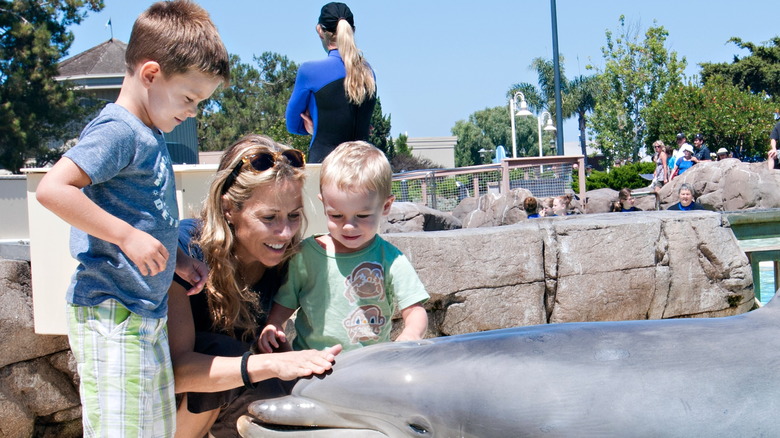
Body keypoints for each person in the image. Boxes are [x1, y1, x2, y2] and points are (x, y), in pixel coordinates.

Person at [35, 2, 229, 435]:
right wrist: (125, 237)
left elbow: (145, 214)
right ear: (150, 74)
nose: (194, 111)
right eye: (189, 98)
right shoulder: (118, 130)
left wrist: (176, 258)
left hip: (144, 314)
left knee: (151, 429)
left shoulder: (150, 133)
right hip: (112, 313)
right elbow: (53, 189)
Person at [167, 134, 342, 437]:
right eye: (269, 217)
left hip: (236, 399)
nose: (285, 232)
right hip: (175, 413)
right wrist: (272, 364)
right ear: (228, 209)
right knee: (220, 349)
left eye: (294, 216)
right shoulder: (186, 250)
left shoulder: (289, 261)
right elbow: (177, 373)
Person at [259, 141, 429, 353]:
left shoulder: (390, 258)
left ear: (385, 206)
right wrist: (274, 325)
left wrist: (411, 333)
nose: (349, 226)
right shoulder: (306, 255)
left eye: (363, 215)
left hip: (370, 364)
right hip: (313, 365)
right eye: (336, 215)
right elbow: (285, 303)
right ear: (324, 204)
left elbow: (415, 310)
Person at [286, 2, 377, 163]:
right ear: (352, 31)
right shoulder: (367, 72)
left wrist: (318, 128)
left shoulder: (309, 71)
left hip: (327, 168)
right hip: (363, 167)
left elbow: (293, 125)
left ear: (320, 31)